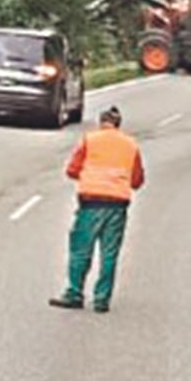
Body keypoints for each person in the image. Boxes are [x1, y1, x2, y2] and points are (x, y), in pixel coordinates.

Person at [49, 106, 145, 313]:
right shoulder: (131, 145)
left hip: (91, 203)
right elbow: (137, 180)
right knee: (109, 253)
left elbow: (72, 170)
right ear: (118, 125)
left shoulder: (90, 140)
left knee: (81, 251)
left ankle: (75, 293)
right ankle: (102, 300)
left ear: (101, 123)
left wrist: (89, 177)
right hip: (118, 204)